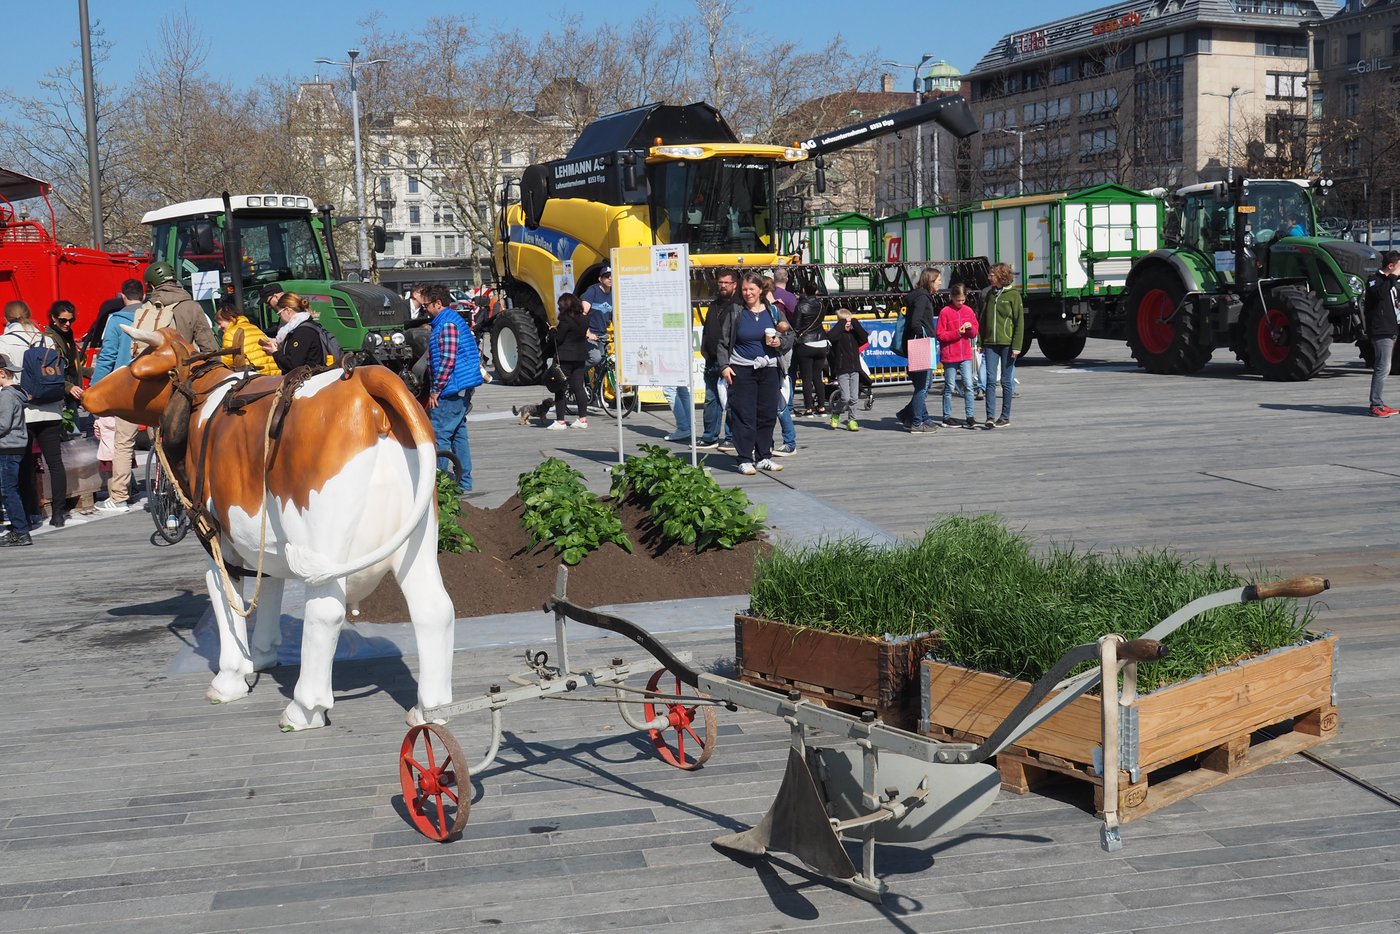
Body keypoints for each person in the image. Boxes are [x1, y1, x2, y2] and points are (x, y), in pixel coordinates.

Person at [716, 271, 794, 475]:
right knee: (744, 415)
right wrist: (724, 366)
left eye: (751, 289)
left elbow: (790, 335)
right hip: (741, 369)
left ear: (760, 290)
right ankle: (744, 458)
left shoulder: (773, 311)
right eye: (744, 289)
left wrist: (779, 341)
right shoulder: (735, 311)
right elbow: (723, 341)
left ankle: (763, 457)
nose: (748, 293)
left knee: (767, 415)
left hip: (768, 369)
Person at [0, 301, 68, 527]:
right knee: (55, 463)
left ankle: (30, 515)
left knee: (24, 464)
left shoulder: (3, 342)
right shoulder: (45, 339)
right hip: (51, 407)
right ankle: (58, 514)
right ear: (28, 316)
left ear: (6, 319)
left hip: (22, 412)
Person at [413, 283, 483, 492]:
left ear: (438, 303)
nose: (424, 309)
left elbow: (447, 360)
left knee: (440, 433)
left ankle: (440, 485)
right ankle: (464, 482)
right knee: (459, 433)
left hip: (451, 388)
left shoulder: (447, 325)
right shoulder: (448, 321)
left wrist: (436, 390)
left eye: (426, 306)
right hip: (460, 387)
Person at [88, 281, 146, 513]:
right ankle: (169, 487)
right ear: (144, 295)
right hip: (155, 386)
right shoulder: (154, 316)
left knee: (123, 443)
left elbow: (107, 357)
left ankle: (120, 497)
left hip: (126, 388)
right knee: (162, 440)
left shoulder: (115, 321)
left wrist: (95, 387)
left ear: (122, 296)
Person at [895, 267, 942, 433]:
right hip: (921, 345)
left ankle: (911, 415)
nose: (940, 283)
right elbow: (916, 322)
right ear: (930, 281)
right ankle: (916, 422)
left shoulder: (919, 296)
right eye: (938, 280)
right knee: (922, 386)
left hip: (918, 344)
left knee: (924, 384)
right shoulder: (922, 298)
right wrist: (924, 338)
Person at [699, 269, 740, 450]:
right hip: (711, 360)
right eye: (720, 282)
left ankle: (731, 437)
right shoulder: (714, 304)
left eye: (726, 283)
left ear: (734, 285)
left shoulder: (738, 305)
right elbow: (708, 328)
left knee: (731, 401)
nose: (722, 285)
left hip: (730, 361)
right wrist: (704, 348)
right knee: (711, 400)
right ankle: (710, 436)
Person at [138, 261, 217, 353]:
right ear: (175, 281)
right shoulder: (192, 307)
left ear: (152, 286)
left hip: (153, 365)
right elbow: (209, 346)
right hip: (184, 364)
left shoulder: (145, 309)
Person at [981, 263, 1024, 429]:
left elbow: (1019, 322)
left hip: (1008, 344)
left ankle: (1005, 416)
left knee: (1006, 381)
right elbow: (983, 319)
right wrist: (980, 341)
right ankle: (990, 416)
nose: (989, 277)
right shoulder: (990, 294)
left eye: (992, 274)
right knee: (990, 380)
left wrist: (1017, 346)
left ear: (1000, 276)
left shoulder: (1014, 295)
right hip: (991, 343)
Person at [937, 284, 980, 429]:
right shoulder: (945, 312)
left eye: (962, 300)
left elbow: (974, 332)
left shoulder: (968, 310)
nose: (960, 303)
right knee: (949, 386)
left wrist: (970, 329)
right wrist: (957, 332)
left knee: (968, 385)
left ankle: (970, 416)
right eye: (957, 300)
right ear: (952, 297)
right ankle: (947, 416)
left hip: (965, 355)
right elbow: (940, 335)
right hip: (950, 355)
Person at [0, 357, 33, 545]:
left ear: (2, 374)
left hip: (7, 447)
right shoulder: (17, 393)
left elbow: (3, 424)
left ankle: (20, 531)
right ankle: (20, 527)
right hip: (17, 445)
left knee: (8, 491)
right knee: (12, 489)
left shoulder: (6, 395)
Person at [547, 292, 591, 430]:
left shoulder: (566, 320)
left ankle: (560, 421)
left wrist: (552, 332)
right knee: (578, 387)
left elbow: (559, 339)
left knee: (559, 387)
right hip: (580, 357)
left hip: (565, 358)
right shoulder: (584, 319)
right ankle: (582, 419)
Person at [258, 292, 333, 372]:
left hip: (309, 379)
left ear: (287, 310)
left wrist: (275, 353)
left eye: (279, 313)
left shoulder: (303, 332)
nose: (280, 317)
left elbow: (291, 365)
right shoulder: (303, 326)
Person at [1365, 250, 1400, 418]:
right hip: (1380, 330)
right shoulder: (1374, 280)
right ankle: (1375, 405)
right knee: (1382, 367)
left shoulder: (1390, 282)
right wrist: (1392, 277)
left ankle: (1379, 402)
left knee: (1386, 367)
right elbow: (1378, 294)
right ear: (1391, 266)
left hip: (1390, 328)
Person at [214, 298, 281, 376]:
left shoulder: (230, 334)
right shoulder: (254, 327)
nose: (219, 327)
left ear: (231, 319)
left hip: (254, 375)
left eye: (220, 323)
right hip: (274, 373)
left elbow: (227, 362)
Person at [825, 308, 867, 432]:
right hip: (842, 369)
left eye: (849, 321)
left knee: (854, 398)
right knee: (845, 397)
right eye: (845, 321)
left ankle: (852, 420)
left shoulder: (854, 334)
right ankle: (836, 413)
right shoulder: (837, 335)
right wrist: (842, 323)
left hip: (854, 369)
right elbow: (831, 336)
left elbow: (864, 337)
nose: (848, 323)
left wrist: (854, 321)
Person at [45, 300, 89, 409]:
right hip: (60, 397)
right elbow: (49, 371)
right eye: (63, 320)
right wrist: (68, 387)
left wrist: (90, 372)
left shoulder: (67, 336)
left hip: (71, 395)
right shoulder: (49, 339)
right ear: (53, 318)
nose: (67, 324)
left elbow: (71, 366)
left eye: (71, 320)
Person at [792, 285, 829, 416]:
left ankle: (809, 408)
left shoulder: (801, 306)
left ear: (803, 290)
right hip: (821, 341)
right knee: (817, 377)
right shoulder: (821, 305)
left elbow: (796, 326)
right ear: (817, 291)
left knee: (806, 378)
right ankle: (822, 407)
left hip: (806, 343)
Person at [580, 266, 613, 369]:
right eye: (607, 276)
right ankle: (576, 373)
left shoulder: (614, 294)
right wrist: (588, 332)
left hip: (602, 335)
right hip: (590, 335)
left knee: (603, 364)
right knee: (595, 358)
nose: (610, 278)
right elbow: (582, 313)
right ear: (600, 279)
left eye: (612, 276)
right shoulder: (592, 291)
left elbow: (615, 317)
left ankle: (597, 385)